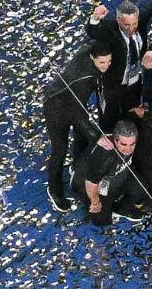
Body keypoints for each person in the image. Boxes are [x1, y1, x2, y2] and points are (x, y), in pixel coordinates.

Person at [44, 41, 111, 212]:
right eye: (102, 63)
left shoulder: (88, 52)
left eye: (109, 61)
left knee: (81, 137)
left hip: (73, 102)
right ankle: (55, 190)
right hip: (56, 109)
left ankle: (77, 166)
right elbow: (78, 116)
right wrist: (97, 137)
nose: (106, 66)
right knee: (60, 150)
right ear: (92, 58)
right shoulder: (85, 79)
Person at [85, 0, 151, 129]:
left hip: (135, 83)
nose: (131, 28)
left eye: (134, 23)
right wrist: (94, 18)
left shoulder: (141, 25)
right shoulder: (110, 30)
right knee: (109, 120)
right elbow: (93, 31)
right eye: (126, 25)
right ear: (118, 20)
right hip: (112, 85)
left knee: (132, 116)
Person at [70, 120, 140, 226]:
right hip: (89, 183)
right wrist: (95, 203)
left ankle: (118, 208)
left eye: (132, 144)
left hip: (115, 176)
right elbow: (91, 182)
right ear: (115, 141)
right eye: (124, 144)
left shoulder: (124, 141)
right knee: (101, 219)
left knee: (140, 186)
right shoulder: (106, 156)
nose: (128, 149)